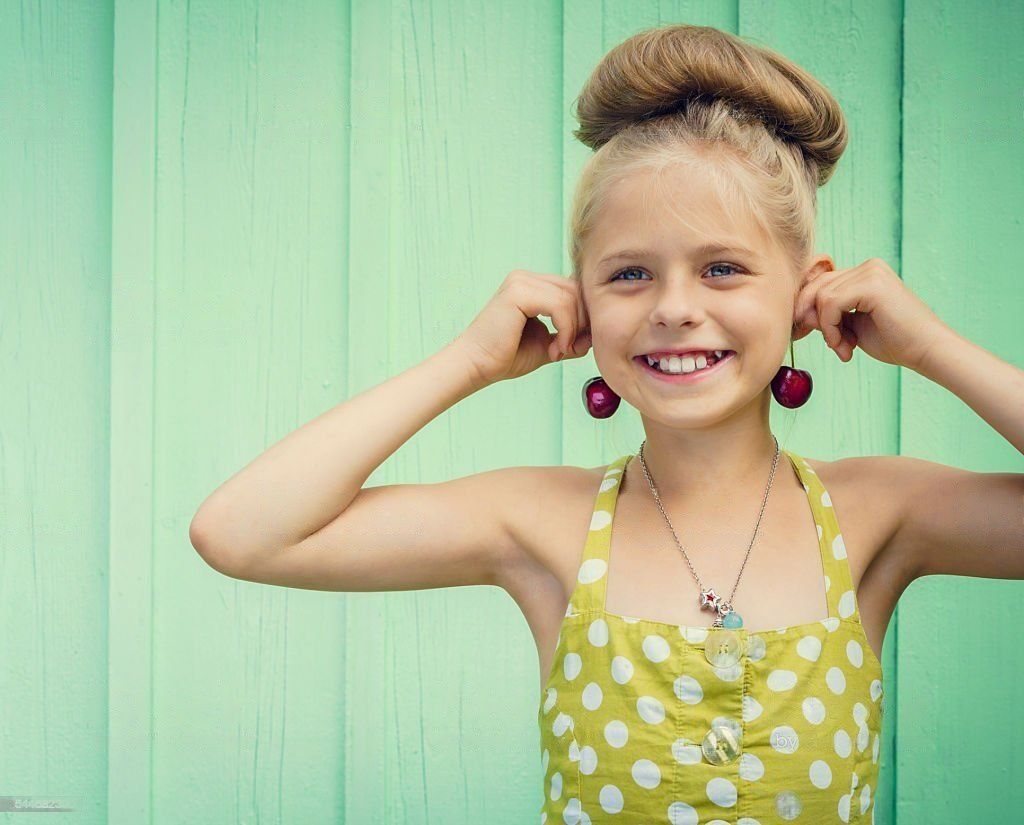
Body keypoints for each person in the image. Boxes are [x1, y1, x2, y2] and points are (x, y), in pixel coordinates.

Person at [188, 23, 1024, 825]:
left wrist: (933, 347)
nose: (674, 309)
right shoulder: (543, 523)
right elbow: (243, 533)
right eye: (629, 274)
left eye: (723, 268)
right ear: (580, 299)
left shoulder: (878, 514)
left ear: (807, 292)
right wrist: (467, 362)